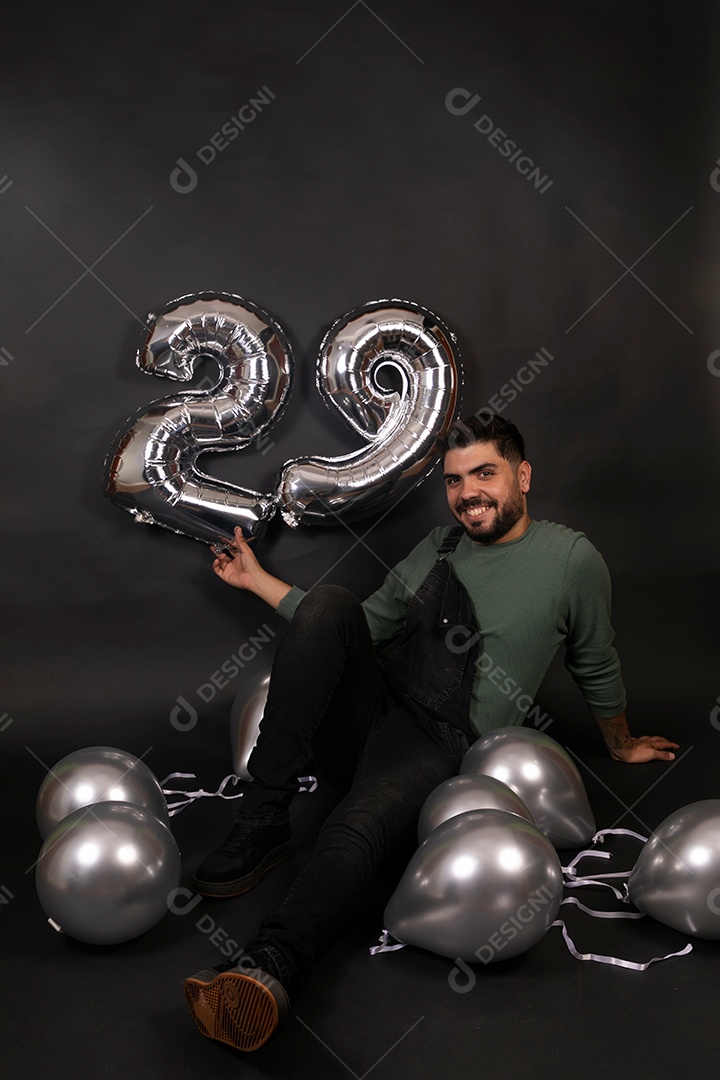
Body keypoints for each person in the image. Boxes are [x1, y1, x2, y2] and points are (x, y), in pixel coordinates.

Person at [182, 414, 678, 1053]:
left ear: (522, 476)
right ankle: (266, 816)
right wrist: (255, 579)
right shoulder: (438, 549)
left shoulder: (570, 559)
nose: (469, 492)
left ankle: (267, 968)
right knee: (331, 604)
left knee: (353, 827)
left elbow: (595, 658)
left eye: (485, 474)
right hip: (375, 711)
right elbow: (350, 631)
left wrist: (619, 740)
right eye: (454, 480)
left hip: (440, 741)